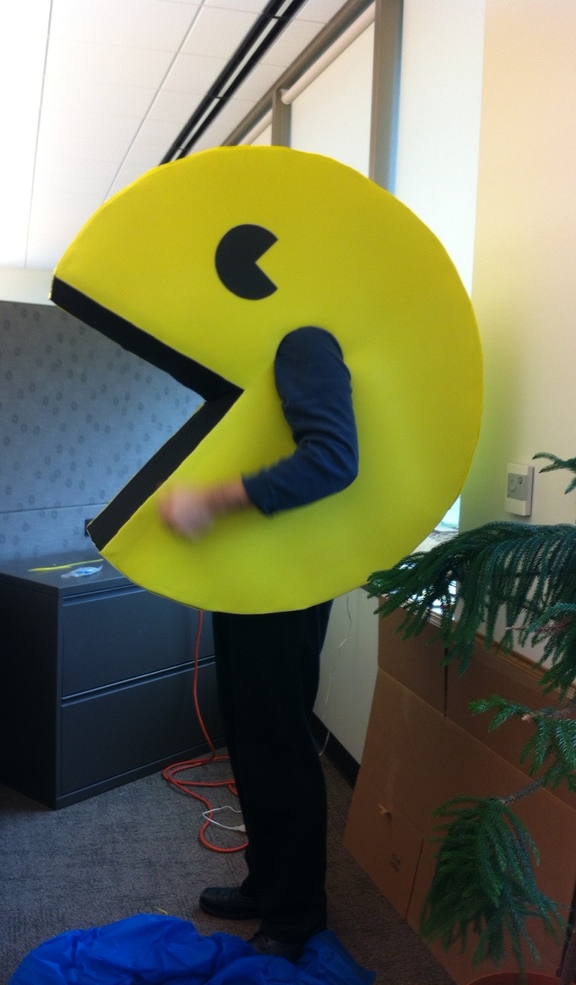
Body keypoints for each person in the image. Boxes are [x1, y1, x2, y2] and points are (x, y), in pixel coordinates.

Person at [159, 325, 358, 961]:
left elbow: (332, 459)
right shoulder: (259, 347)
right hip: (251, 580)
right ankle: (268, 885)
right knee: (248, 740)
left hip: (288, 583)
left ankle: (296, 915)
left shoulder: (301, 339)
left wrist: (213, 502)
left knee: (279, 748)